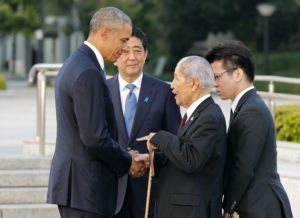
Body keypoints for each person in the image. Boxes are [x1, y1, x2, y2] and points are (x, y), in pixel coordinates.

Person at [47, 7, 149, 218]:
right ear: (104, 33)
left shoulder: (77, 62)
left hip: (78, 188)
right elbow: (95, 137)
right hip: (86, 189)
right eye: (123, 41)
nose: (124, 48)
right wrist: (127, 160)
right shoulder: (88, 72)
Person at [206, 41, 293, 218]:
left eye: (217, 76)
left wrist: (228, 207)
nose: (214, 84)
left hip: (262, 207)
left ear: (237, 73)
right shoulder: (244, 106)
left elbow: (243, 167)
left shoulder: (252, 111)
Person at [138, 56, 227, 218]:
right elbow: (182, 157)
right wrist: (152, 160)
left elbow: (191, 159)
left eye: (176, 78)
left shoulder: (210, 117)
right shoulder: (198, 115)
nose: (172, 85)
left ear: (193, 83)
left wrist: (160, 137)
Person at [106, 26, 181, 218]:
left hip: (150, 190)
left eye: (137, 50)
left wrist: (152, 160)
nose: (131, 57)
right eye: (124, 51)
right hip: (111, 188)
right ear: (115, 56)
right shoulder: (102, 90)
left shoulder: (164, 92)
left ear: (146, 54)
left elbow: (175, 142)